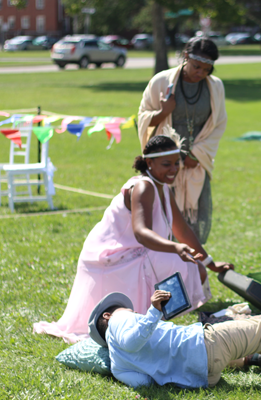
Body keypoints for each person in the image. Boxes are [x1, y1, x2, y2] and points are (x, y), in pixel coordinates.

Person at [34, 136, 233, 344]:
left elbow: (181, 228)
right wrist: (176, 248)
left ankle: (160, 325)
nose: (173, 169)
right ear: (149, 163)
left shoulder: (162, 185)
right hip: (111, 258)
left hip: (138, 252)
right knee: (189, 268)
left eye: (176, 163)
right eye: (167, 164)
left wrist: (210, 262)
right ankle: (158, 325)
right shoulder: (144, 187)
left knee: (196, 267)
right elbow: (141, 232)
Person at [89, 290, 261, 388]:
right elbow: (132, 339)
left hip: (202, 378)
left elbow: (145, 382)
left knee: (241, 341)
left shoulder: (117, 365)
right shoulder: (119, 320)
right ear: (106, 317)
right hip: (204, 345)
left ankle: (251, 359)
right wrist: (152, 311)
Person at [137, 38, 227, 245]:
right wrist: (163, 112)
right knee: (163, 216)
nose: (200, 73)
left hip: (196, 162)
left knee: (193, 216)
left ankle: (193, 267)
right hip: (165, 164)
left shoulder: (215, 87)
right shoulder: (161, 82)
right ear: (185, 57)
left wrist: (196, 154)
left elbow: (219, 123)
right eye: (196, 67)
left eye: (206, 69)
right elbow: (143, 119)